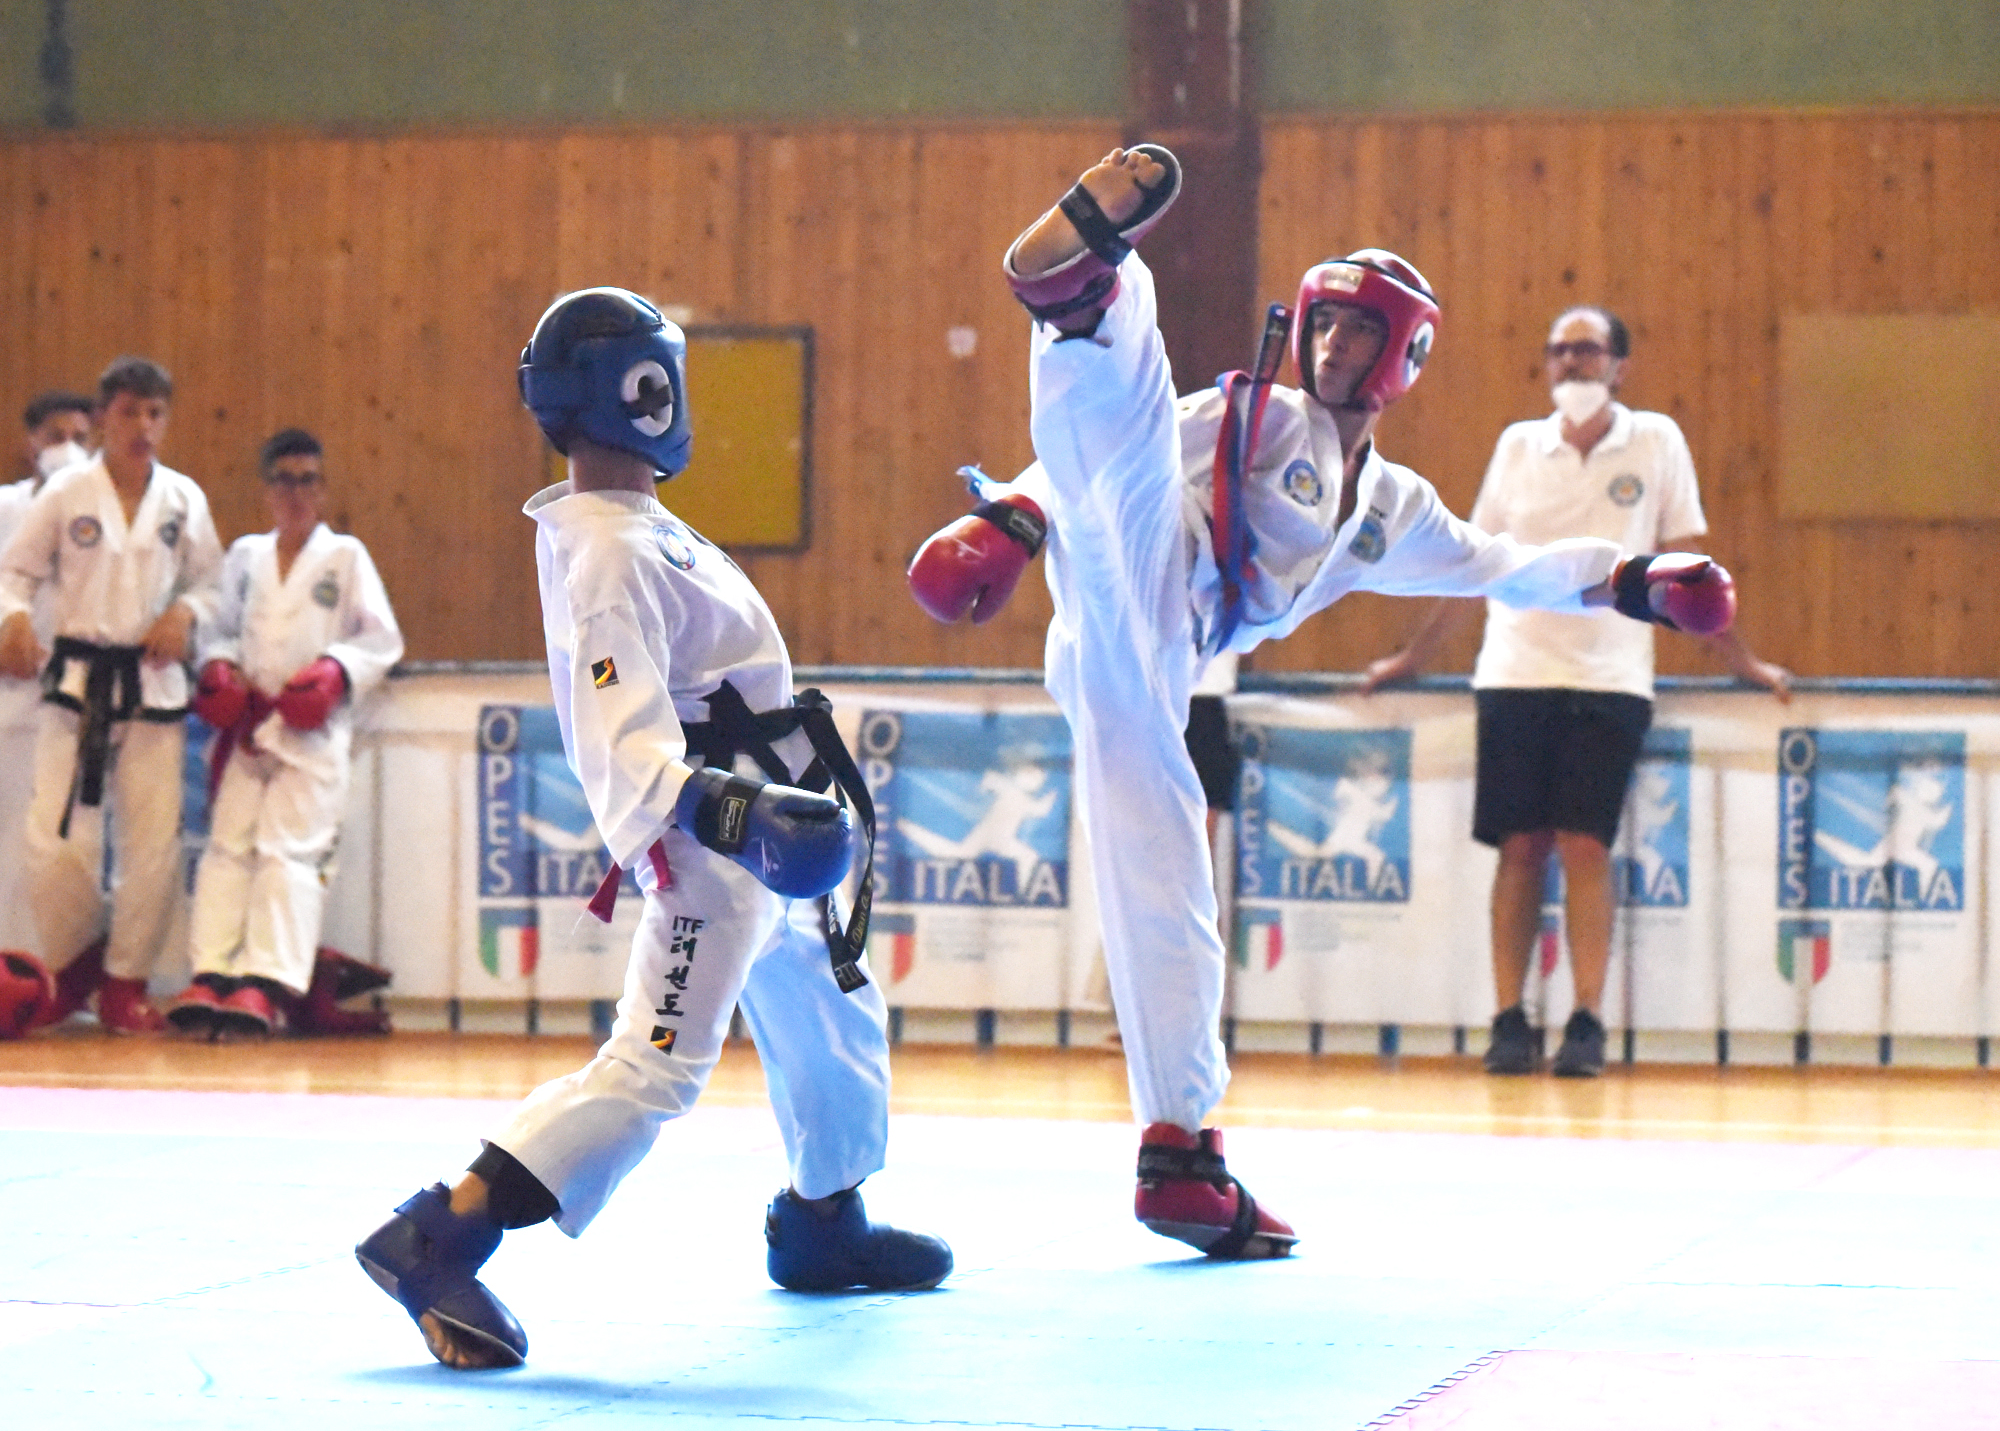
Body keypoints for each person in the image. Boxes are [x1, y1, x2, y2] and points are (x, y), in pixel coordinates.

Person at [907, 147, 1735, 1258]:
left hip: (1160, 662)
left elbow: (1505, 563)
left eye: (1359, 333)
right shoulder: (1253, 412)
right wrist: (1005, 523)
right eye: (1323, 324)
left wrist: (1634, 581)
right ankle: (1086, 297)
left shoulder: (1388, 509)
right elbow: (1099, 472)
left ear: (1403, 358)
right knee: (1131, 459)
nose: (1333, 346)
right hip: (1139, 581)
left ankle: (1180, 1153)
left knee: (1168, 891)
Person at [356, 287, 951, 1370]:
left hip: (768, 833)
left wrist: (773, 808)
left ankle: (825, 1222)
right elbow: (622, 741)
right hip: (712, 848)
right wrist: (739, 811)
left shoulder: (646, 532)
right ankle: (438, 1235)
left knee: (833, 1014)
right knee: (655, 1068)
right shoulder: (604, 556)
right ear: (612, 398)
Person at [1362, 305, 1792, 1078]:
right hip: (1516, 670)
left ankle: (1586, 1022)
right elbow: (1473, 561)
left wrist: (1745, 664)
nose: (1571, 365)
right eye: (1558, 352)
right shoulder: (1518, 446)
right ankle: (1508, 1019)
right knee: (1520, 847)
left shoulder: (1656, 440)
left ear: (1619, 366)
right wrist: (1413, 657)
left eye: (1587, 351)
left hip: (1611, 675)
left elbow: (1688, 573)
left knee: (1586, 846)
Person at [0, 357, 221, 1036]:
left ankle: (125, 982)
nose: (144, 427)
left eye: (156, 414)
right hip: (76, 686)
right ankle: (80, 962)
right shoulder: (67, 493)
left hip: (152, 687)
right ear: (104, 418)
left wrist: (185, 613)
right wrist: (11, 617)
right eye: (130, 413)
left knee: (153, 845)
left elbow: (213, 585)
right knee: (54, 845)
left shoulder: (183, 499)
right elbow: (15, 570)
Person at [167, 428, 405, 1039]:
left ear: (322, 490)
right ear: (267, 490)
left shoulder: (345, 556)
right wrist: (218, 668)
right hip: (250, 728)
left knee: (288, 856)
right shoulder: (244, 556)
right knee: (228, 849)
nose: (295, 492)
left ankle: (266, 984)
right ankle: (213, 975)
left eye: (307, 480)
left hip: (310, 732)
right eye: (283, 480)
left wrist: (334, 671)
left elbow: (380, 641)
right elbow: (219, 629)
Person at [0, 392, 97, 957]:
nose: (68, 448)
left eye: (80, 437)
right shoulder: (6, 510)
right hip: (8, 698)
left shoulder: (100, 515)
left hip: (73, 700)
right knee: (8, 840)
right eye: (55, 435)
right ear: (29, 442)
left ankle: (57, 970)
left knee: (66, 846)